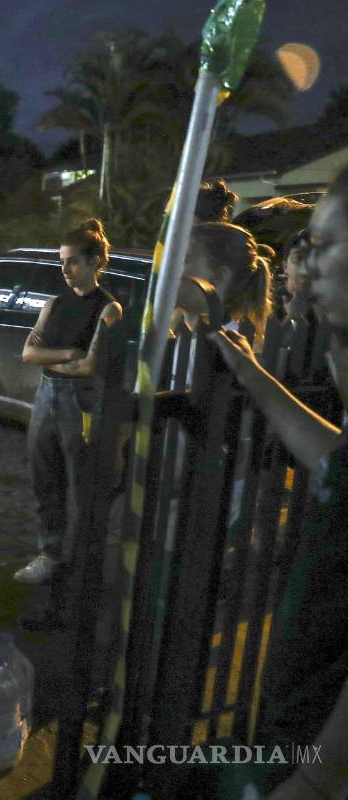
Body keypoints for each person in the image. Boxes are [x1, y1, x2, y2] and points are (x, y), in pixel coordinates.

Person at [210, 166, 348, 793]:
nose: (304, 262)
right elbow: (341, 461)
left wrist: (317, 781)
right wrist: (255, 380)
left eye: (323, 244)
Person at [13, 219, 123, 586]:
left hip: (81, 403)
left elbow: (91, 365)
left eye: (73, 261)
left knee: (82, 486)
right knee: (44, 479)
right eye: (61, 262)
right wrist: (66, 353)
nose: (65, 270)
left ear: (95, 262)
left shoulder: (108, 310)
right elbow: (28, 353)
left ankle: (82, 563)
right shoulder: (53, 304)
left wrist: (55, 357)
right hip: (47, 394)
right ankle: (50, 553)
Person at [178, 222, 273, 338]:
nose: (168, 268)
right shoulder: (178, 334)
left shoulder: (231, 345)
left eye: (184, 259)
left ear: (219, 276)